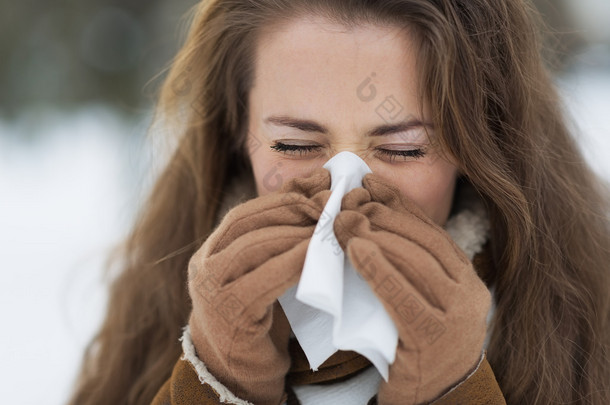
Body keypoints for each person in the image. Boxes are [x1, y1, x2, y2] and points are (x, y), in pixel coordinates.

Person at [67, 1, 610, 404]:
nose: (342, 191)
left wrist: (456, 390)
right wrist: (215, 382)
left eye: (404, 148)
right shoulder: (158, 310)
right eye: (296, 145)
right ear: (236, 133)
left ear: (478, 147)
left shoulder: (585, 323)